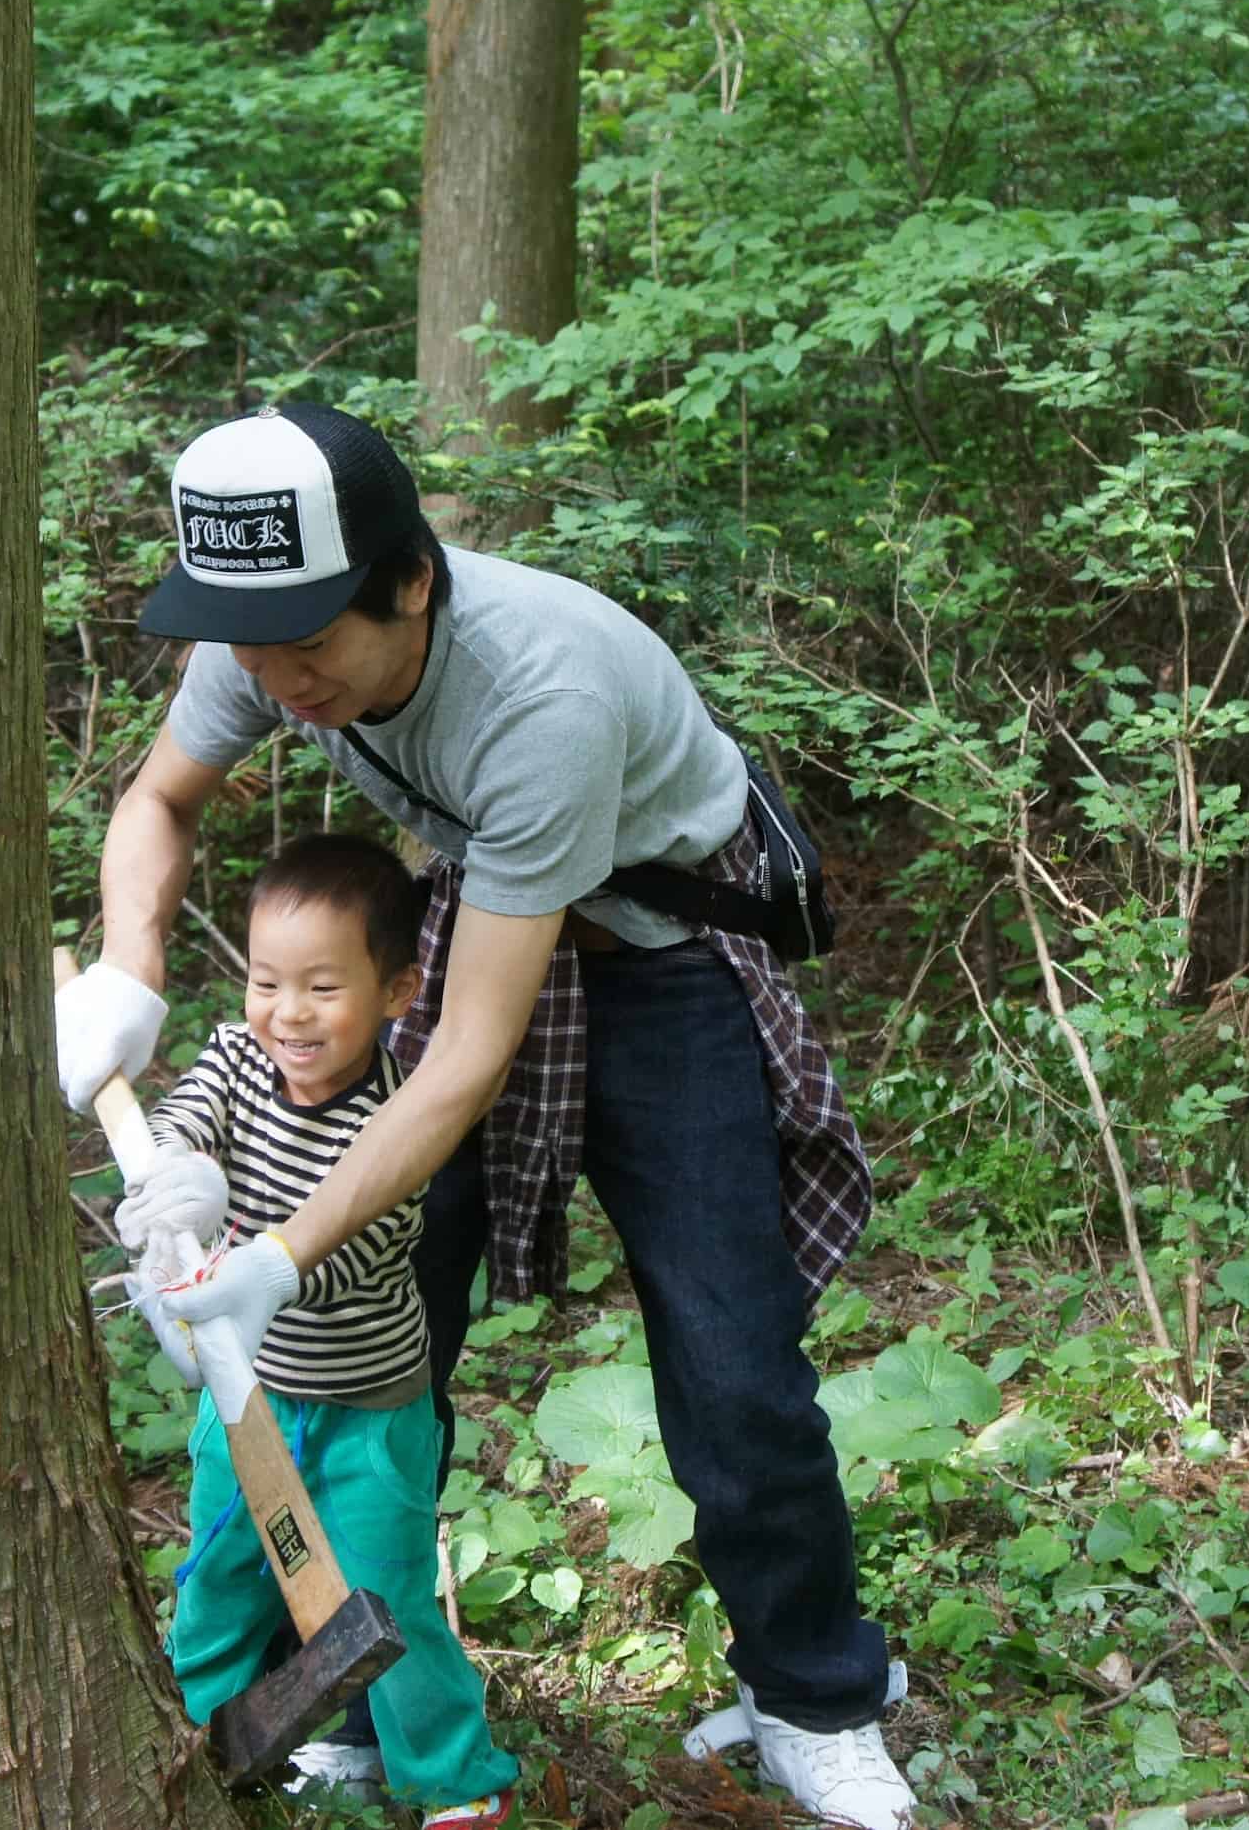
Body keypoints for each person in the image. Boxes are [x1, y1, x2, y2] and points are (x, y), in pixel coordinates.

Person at [55, 401, 914, 1829]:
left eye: (310, 647)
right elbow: (159, 798)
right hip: (481, 916)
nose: (277, 679)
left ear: (412, 583)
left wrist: (274, 1259)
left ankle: (813, 1692)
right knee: (381, 1323)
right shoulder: (266, 634)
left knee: (729, 1343)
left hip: (658, 950)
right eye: (254, 647)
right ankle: (345, 1668)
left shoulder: (539, 699)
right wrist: (134, 974)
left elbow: (462, 1062)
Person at [109, 832, 518, 1829]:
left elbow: (346, 1261)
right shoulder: (239, 1060)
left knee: (385, 1602)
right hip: (244, 1402)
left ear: (397, 991)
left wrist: (246, 1280)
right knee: (217, 1578)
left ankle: (457, 1783)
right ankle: (197, 1742)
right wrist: (178, 1177)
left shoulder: (394, 1123)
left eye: (323, 988)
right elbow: (191, 1116)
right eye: (266, 981)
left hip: (371, 1416)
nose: (287, 1013)